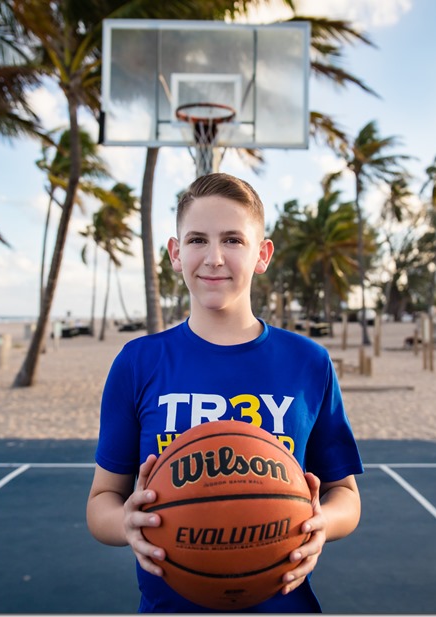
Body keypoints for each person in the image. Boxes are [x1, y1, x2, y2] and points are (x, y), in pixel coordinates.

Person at [86, 173, 363, 612]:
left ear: (262, 254)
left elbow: (345, 494)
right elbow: (101, 503)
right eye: (197, 239)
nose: (214, 258)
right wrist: (127, 522)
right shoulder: (138, 363)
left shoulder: (308, 362)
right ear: (176, 254)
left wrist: (318, 522)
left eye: (233, 240)